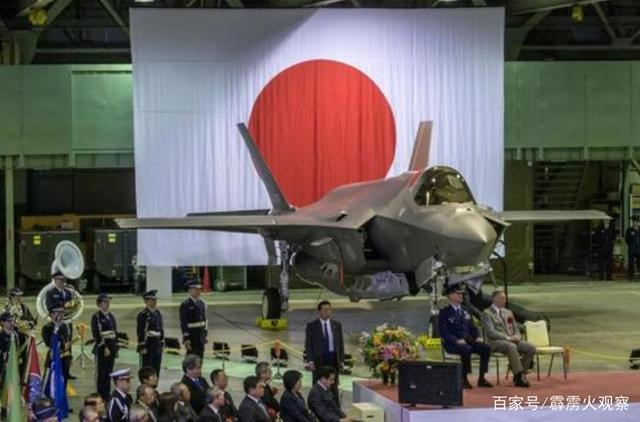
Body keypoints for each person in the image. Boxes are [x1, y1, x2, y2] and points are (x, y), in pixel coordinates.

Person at [438, 284, 493, 389]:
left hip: (468, 341)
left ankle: (482, 378)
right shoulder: (444, 312)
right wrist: (456, 340)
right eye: (458, 294)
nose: (461, 296)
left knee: (485, 348)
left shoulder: (465, 310)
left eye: (462, 294)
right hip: (452, 344)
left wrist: (478, 336)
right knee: (466, 349)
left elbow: (472, 327)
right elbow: (443, 332)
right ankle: (464, 378)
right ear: (450, 296)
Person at [481, 290, 536, 388]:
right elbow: (491, 332)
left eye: (505, 298)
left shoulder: (508, 312)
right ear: (494, 299)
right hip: (495, 342)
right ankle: (518, 376)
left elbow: (515, 328)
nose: (504, 300)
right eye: (502, 298)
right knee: (511, 346)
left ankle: (519, 371)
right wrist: (508, 338)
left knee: (530, 347)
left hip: (511, 340)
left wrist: (518, 336)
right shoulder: (487, 313)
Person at [304, 300, 344, 400]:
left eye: (329, 310)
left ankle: (335, 404)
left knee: (333, 384)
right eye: (325, 310)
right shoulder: (312, 326)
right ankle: (317, 403)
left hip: (333, 360)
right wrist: (310, 360)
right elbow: (308, 344)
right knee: (318, 384)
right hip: (318, 360)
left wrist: (341, 360)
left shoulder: (337, 325)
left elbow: (340, 344)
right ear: (319, 311)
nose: (328, 312)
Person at [45, 271, 78, 379]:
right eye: (59, 280)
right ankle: (54, 368)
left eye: (63, 280)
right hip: (56, 322)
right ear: (55, 280)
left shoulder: (68, 292)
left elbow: (74, 306)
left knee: (68, 345)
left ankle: (67, 370)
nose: (62, 282)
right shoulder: (50, 292)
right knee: (57, 345)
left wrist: (73, 306)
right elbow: (50, 306)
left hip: (67, 321)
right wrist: (64, 305)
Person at [91, 294, 119, 400]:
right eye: (104, 302)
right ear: (99, 304)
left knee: (109, 371)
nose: (107, 304)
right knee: (101, 372)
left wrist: (115, 347)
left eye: (108, 302)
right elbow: (96, 333)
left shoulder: (111, 316)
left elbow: (115, 332)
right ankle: (100, 394)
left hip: (111, 345)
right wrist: (104, 347)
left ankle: (106, 394)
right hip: (102, 347)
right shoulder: (96, 317)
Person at [42, 303, 72, 389]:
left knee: (64, 379)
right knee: (51, 381)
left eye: (62, 313)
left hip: (64, 357)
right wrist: (56, 330)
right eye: (57, 313)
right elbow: (48, 342)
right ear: (51, 314)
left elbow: (67, 339)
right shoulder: (47, 327)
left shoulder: (65, 326)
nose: (60, 315)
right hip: (53, 357)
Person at [137, 290, 164, 376]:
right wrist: (142, 346)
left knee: (156, 365)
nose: (154, 302)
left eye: (155, 300)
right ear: (146, 301)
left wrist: (162, 342)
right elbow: (141, 331)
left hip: (157, 343)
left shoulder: (158, 313)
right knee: (147, 366)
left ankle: (155, 383)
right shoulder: (143, 314)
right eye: (151, 300)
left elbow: (161, 328)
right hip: (148, 343)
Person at [179, 281, 207, 359]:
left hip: (200, 335)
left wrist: (205, 334)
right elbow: (184, 322)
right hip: (192, 335)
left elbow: (204, 320)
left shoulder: (202, 303)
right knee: (191, 357)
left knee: (200, 356)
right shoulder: (185, 304)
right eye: (196, 289)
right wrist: (186, 337)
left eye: (199, 289)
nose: (198, 291)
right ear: (189, 290)